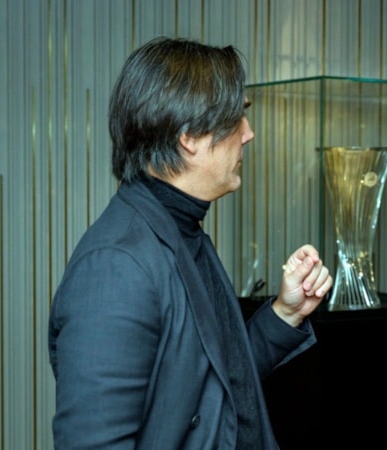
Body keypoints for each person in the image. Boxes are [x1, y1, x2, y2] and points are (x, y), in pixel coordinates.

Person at [48, 37, 333, 449]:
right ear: (189, 137)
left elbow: (216, 386)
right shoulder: (115, 266)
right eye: (237, 118)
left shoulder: (180, 229)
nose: (248, 134)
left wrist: (284, 313)